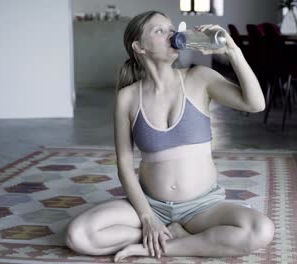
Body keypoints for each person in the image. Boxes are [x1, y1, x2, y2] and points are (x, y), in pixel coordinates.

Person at [65, 10, 274, 262]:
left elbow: (255, 104)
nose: (172, 34)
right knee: (78, 235)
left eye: (171, 28)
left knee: (260, 230)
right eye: (159, 30)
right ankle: (166, 233)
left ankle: (166, 245)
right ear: (139, 47)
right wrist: (147, 218)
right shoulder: (128, 97)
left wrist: (232, 52)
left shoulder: (199, 78)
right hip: (151, 205)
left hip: (202, 208)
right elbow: (123, 164)